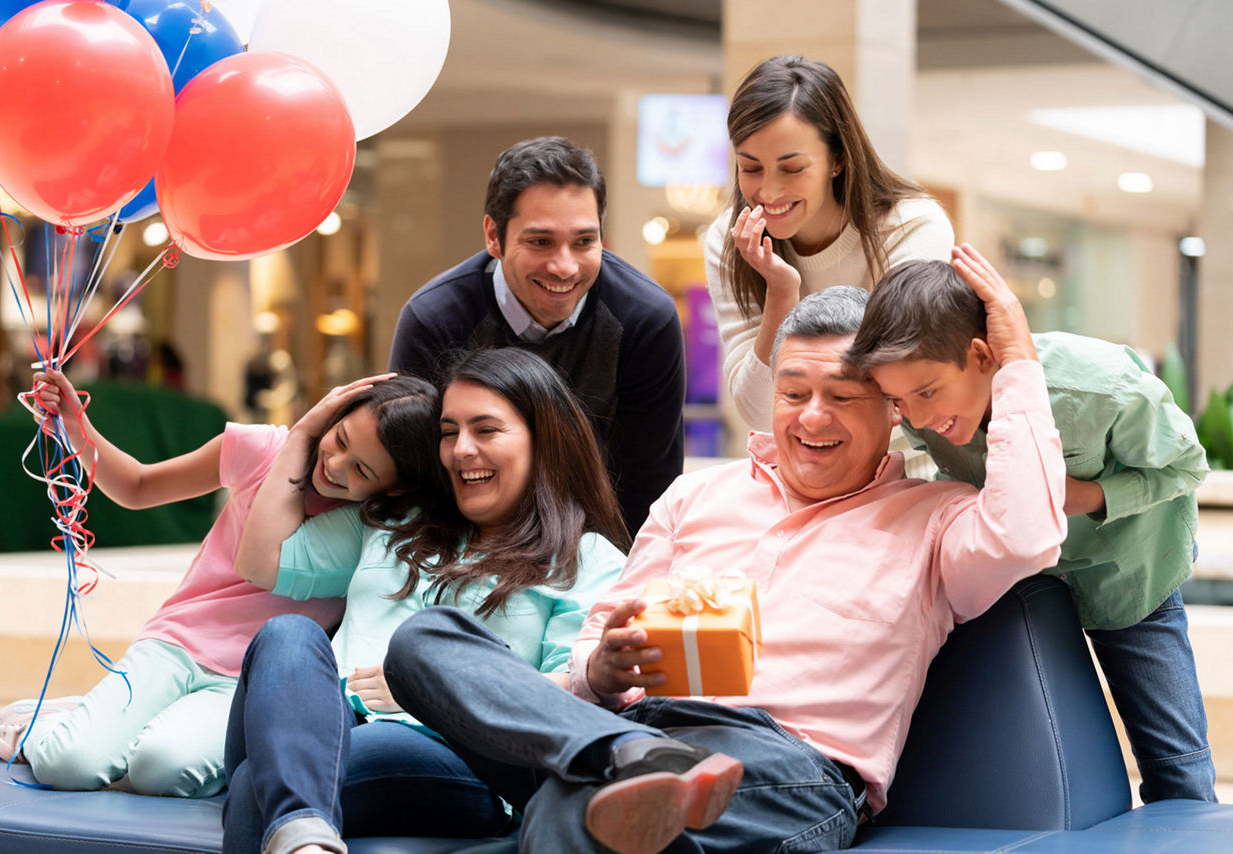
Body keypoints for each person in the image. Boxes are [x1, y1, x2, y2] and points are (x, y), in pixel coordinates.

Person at [380, 263, 1069, 853]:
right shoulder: (696, 497)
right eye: (794, 393)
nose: (812, 417)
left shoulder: (935, 517)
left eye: (842, 397)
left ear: (892, 409)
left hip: (787, 768)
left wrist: (1015, 362)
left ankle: (620, 778)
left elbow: (1027, 537)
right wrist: (602, 668)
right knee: (425, 641)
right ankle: (626, 764)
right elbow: (595, 642)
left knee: (573, 811)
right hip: (628, 731)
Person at [222, 348, 632, 854]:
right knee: (288, 635)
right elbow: (261, 561)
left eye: (486, 430)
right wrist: (303, 436)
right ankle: (304, 833)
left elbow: (573, 693)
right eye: (449, 431)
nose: (461, 450)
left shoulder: (587, 559)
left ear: (542, 441)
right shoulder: (401, 519)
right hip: (312, 719)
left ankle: (300, 828)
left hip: (454, 752)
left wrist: (432, 691)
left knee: (255, 787)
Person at [847, 246, 1217, 804]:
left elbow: (1188, 467)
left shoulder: (1102, 387)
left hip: (1132, 578)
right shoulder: (924, 413)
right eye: (901, 401)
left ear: (979, 353)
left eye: (927, 392)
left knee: (1178, 768)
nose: (920, 421)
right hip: (1023, 592)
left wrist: (1089, 495)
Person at [0, 368, 441, 798]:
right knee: (69, 765)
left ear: (393, 489)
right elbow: (139, 486)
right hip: (177, 642)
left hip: (245, 681)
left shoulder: (373, 525)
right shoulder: (260, 447)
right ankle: (43, 725)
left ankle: (110, 727)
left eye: (362, 470)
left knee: (160, 768)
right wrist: (76, 427)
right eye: (338, 438)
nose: (336, 465)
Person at [389, 136, 686, 535]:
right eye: (540, 242)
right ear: (493, 236)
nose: (564, 267)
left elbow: (648, 486)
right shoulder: (435, 318)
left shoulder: (645, 320)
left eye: (584, 242)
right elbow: (413, 475)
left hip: (597, 554)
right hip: (461, 547)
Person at [704, 54, 954, 431]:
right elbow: (759, 413)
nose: (768, 191)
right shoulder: (730, 239)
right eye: (750, 168)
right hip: (798, 468)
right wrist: (781, 293)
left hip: (906, 467)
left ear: (837, 159)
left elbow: (902, 387)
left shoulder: (912, 227)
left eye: (792, 168)